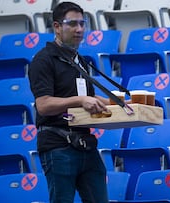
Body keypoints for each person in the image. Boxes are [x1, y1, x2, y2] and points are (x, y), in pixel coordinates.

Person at [28, 2, 110, 203]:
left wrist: (119, 103)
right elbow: (44, 105)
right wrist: (80, 100)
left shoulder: (79, 60)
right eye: (72, 24)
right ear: (56, 26)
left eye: (82, 23)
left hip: (85, 143)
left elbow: (89, 96)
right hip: (58, 147)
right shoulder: (43, 60)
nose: (79, 29)